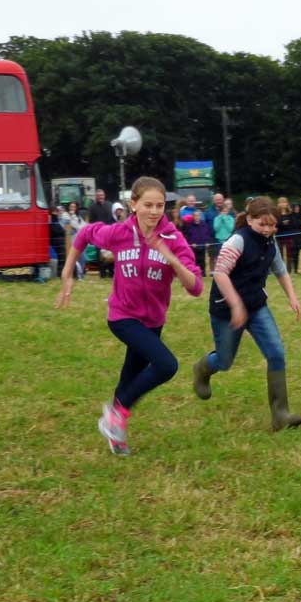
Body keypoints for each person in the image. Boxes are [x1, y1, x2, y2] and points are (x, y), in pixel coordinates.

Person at [54, 176, 203, 455]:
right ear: (133, 204)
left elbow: (195, 287)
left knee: (130, 376)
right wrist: (67, 272)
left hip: (154, 321)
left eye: (159, 205)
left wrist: (171, 258)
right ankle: (115, 415)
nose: (154, 211)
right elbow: (84, 235)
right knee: (166, 365)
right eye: (147, 204)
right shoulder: (119, 233)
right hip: (122, 316)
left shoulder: (174, 238)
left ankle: (115, 430)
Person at [191, 197, 301, 431]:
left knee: (276, 353)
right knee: (224, 361)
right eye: (262, 224)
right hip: (226, 309)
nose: (267, 229)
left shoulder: (270, 242)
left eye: (272, 225)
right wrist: (235, 305)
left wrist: (292, 297)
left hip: (255, 306)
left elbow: (280, 270)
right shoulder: (237, 241)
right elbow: (220, 273)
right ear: (250, 219)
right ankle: (202, 368)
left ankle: (280, 414)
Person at [276, 197, 301, 273]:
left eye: (284, 202)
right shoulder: (276, 214)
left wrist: (288, 223)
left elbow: (294, 224)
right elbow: (275, 224)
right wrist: (282, 223)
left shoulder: (290, 214)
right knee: (280, 255)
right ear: (278, 204)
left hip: (289, 236)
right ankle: (280, 270)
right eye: (281, 202)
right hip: (279, 236)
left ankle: (289, 271)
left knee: (289, 255)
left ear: (287, 204)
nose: (283, 204)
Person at [184, 208, 214, 276]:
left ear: (200, 216)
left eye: (198, 215)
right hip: (193, 248)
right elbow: (187, 236)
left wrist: (207, 242)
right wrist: (191, 243)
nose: (197, 217)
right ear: (193, 216)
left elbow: (207, 234)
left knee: (202, 261)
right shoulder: (189, 226)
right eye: (195, 216)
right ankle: (194, 274)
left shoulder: (204, 225)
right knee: (194, 261)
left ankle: (203, 274)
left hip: (202, 247)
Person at [211, 197, 236, 268]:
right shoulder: (216, 218)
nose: (224, 213)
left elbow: (230, 229)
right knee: (219, 257)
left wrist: (225, 219)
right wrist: (220, 219)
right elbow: (216, 228)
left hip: (228, 240)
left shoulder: (231, 218)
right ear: (220, 212)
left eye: (226, 211)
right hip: (219, 241)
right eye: (223, 212)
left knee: (228, 257)